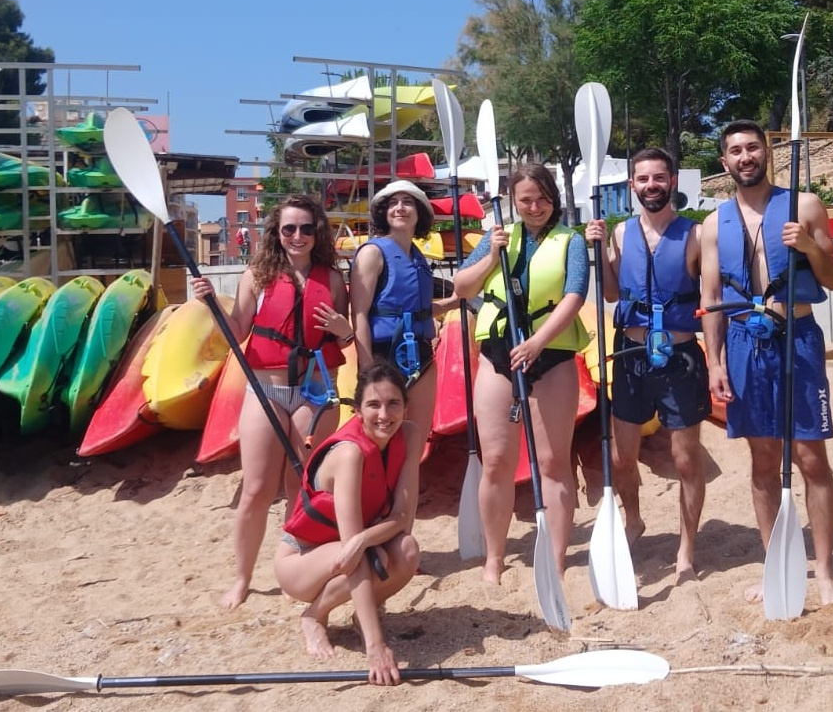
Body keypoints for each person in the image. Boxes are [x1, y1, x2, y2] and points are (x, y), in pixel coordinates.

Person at [700, 119, 833, 606]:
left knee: (810, 458)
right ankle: (775, 564)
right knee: (763, 460)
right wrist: (715, 362)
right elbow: (712, 296)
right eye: (736, 151)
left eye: (753, 148)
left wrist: (809, 246)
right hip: (743, 341)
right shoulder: (712, 223)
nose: (746, 157)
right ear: (725, 162)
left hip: (796, 337)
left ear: (769, 152)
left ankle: (824, 571)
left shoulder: (804, 206)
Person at [189, 194, 355, 609]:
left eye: (305, 228)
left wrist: (342, 327)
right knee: (257, 490)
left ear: (317, 231)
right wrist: (211, 303)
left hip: (315, 392)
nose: (297, 236)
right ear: (276, 234)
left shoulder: (332, 280)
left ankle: (292, 568)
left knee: (301, 485)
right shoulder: (257, 276)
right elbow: (239, 329)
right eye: (288, 229)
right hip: (265, 390)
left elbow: (346, 340)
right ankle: (242, 578)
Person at [452, 163, 591, 584]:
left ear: (554, 199)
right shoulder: (497, 238)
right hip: (499, 356)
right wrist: (491, 256)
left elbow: (574, 295)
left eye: (542, 198)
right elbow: (462, 288)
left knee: (552, 461)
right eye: (525, 200)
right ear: (513, 202)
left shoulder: (573, 241)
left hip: (550, 357)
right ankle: (495, 558)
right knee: (496, 460)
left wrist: (539, 341)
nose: (534, 207)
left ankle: (556, 559)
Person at [584, 147, 710, 580]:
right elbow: (613, 293)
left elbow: (709, 300)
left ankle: (686, 549)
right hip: (632, 356)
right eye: (643, 179)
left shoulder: (695, 235)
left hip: (680, 357)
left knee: (686, 458)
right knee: (622, 456)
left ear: (672, 182)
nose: (651, 186)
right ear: (632, 185)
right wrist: (598, 249)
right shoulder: (620, 234)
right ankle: (633, 519)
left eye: (659, 178)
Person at [275, 361, 423, 686]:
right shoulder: (350, 454)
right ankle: (314, 615)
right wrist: (376, 646)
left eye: (393, 403)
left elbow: (402, 518)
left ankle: (360, 613)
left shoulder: (410, 435)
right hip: (301, 560)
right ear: (357, 410)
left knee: (407, 551)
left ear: (405, 407)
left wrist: (363, 539)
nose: (384, 414)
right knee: (375, 558)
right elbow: (353, 555)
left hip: (351, 547)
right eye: (373, 405)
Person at [348, 181, 456, 448]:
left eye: (408, 202)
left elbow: (416, 313)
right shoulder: (373, 253)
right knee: (381, 439)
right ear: (384, 212)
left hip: (420, 355)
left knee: (415, 440)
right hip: (385, 355)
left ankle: (408, 489)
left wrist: (455, 302)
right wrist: (367, 370)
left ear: (419, 213)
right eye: (394, 203)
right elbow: (359, 313)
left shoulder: (417, 257)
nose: (400, 208)